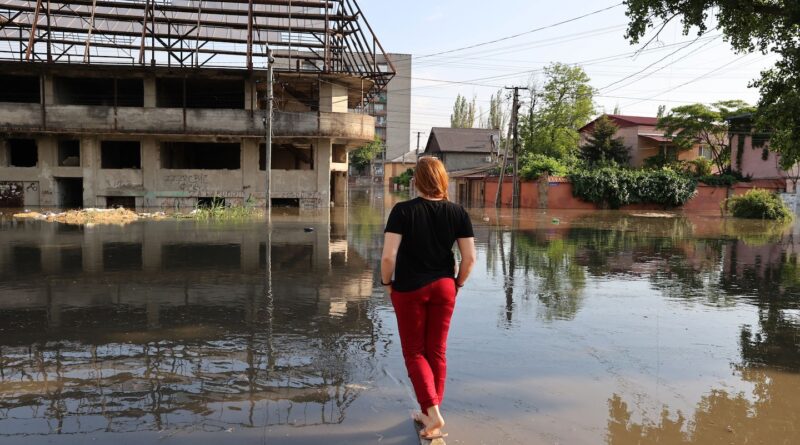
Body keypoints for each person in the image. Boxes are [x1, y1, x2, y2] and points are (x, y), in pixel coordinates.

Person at [380, 156, 476, 440]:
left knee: (414, 352)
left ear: (416, 181)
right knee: (437, 351)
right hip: (444, 286)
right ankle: (432, 410)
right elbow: (469, 258)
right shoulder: (458, 212)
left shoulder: (402, 211)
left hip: (410, 288)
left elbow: (388, 256)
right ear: (443, 179)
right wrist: (456, 284)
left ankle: (431, 412)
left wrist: (386, 283)